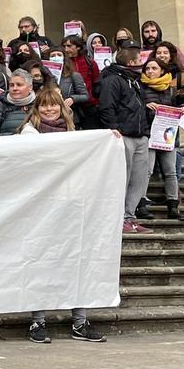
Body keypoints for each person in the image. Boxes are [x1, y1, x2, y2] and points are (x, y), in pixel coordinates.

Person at [17, 85, 109, 345]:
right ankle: (38, 320)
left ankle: (80, 321)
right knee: (40, 262)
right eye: (44, 104)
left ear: (61, 107)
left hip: (71, 206)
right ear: (36, 108)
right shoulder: (29, 133)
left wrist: (108, 139)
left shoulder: (72, 134)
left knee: (76, 261)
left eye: (53, 104)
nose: (48, 108)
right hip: (41, 209)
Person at [98, 42, 155, 233]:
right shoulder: (113, 79)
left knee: (138, 179)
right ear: (131, 61)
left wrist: (146, 132)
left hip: (140, 136)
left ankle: (130, 217)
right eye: (139, 60)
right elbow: (107, 107)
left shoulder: (135, 80)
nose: (142, 63)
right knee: (123, 178)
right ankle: (118, 218)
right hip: (124, 136)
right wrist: (114, 128)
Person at [140, 58, 184, 221]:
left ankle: (173, 205)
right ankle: (140, 204)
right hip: (150, 134)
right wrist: (145, 106)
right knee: (146, 171)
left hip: (168, 136)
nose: (150, 71)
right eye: (147, 68)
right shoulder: (140, 88)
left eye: (154, 68)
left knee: (170, 171)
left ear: (162, 71)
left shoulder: (171, 90)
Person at [0, 69, 36, 136]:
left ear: (30, 87)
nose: (14, 88)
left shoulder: (39, 106)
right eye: (11, 85)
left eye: (19, 85)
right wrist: (14, 137)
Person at [62, 35, 101, 126]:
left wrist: (94, 101)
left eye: (69, 46)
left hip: (89, 106)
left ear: (78, 47)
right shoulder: (63, 63)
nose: (66, 49)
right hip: (70, 106)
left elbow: (97, 82)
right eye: (64, 46)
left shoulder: (90, 62)